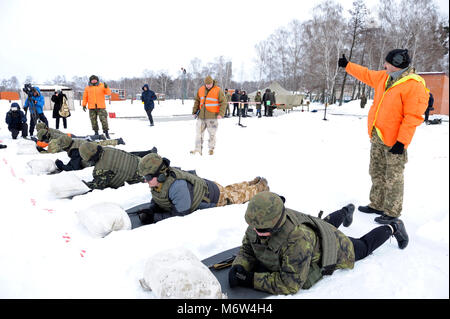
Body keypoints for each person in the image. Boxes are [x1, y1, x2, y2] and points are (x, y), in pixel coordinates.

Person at [228, 192, 409, 295]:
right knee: (325, 225)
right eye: (254, 228)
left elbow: (290, 284)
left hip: (332, 246)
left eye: (262, 230)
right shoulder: (261, 220)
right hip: (315, 233)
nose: (257, 232)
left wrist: (251, 280)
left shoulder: (297, 239)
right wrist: (240, 266)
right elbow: (247, 248)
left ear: (276, 223)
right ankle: (346, 211)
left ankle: (393, 228)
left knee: (362, 247)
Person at [338, 49, 429, 224]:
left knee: (393, 176)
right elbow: (366, 74)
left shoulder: (414, 85)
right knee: (376, 171)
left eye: (387, 63)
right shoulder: (385, 77)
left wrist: (402, 142)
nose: (384, 65)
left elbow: (413, 117)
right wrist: (348, 66)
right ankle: (377, 204)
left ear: (396, 65)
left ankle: (392, 212)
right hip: (378, 135)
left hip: (395, 141)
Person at [133, 153, 270, 225]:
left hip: (213, 197)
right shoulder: (159, 182)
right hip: (207, 187)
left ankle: (259, 187)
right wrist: (152, 208)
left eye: (149, 177)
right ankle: (251, 182)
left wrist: (154, 217)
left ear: (161, 175)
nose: (146, 180)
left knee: (236, 197)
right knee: (230, 189)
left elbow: (180, 215)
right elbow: (159, 196)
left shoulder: (177, 187)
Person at [54, 134, 156, 172]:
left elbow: (74, 167)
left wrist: (61, 165)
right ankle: (148, 153)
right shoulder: (75, 141)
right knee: (127, 155)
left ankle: (149, 157)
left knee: (127, 159)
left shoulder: (75, 150)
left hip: (98, 158)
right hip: (99, 150)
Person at [190, 76, 227, 156]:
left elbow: (223, 102)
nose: (208, 85)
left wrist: (221, 114)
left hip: (212, 117)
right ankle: (198, 149)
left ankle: (211, 149)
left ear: (212, 82)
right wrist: (194, 111)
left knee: (212, 134)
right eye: (206, 84)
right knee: (198, 133)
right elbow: (197, 101)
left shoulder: (218, 90)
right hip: (201, 116)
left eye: (209, 84)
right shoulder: (201, 89)